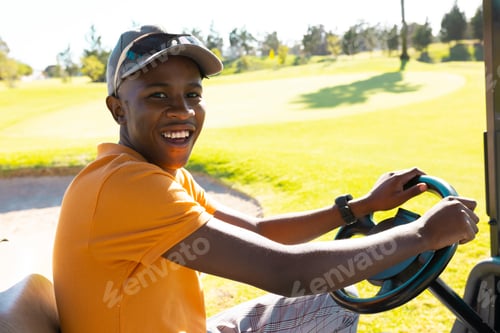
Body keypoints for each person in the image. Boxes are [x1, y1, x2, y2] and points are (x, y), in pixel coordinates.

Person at [52, 25, 479, 333]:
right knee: (324, 290)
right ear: (117, 109)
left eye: (193, 94)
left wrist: (358, 207)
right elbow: (282, 271)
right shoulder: (124, 187)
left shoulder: (156, 176)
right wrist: (424, 233)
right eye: (157, 94)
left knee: (330, 301)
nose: (182, 110)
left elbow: (260, 233)